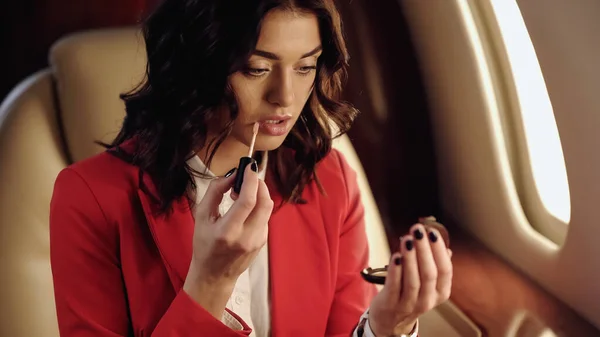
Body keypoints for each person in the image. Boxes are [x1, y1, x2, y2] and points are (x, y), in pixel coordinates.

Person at [49, 0, 453, 336]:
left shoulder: (331, 180)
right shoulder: (89, 197)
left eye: (305, 67)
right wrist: (210, 283)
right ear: (197, 63)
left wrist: (387, 325)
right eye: (257, 69)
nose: (285, 97)